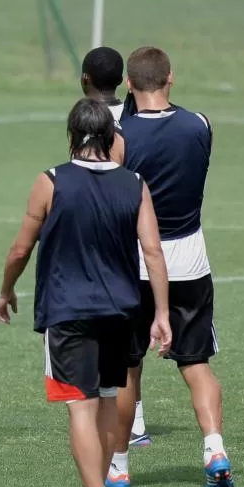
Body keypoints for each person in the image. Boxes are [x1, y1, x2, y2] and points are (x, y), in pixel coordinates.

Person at [0, 98, 172, 487]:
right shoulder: (135, 184)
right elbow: (152, 251)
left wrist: (6, 289)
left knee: (80, 406)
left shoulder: (51, 181)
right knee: (109, 400)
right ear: (113, 138)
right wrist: (162, 314)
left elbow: (22, 247)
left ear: (72, 135)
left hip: (68, 311)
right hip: (122, 311)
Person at [109, 46, 233, 487]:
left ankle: (119, 464)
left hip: (136, 261)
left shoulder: (119, 133)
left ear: (129, 84)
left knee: (126, 369)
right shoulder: (199, 124)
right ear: (170, 78)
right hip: (190, 258)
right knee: (196, 363)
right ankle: (214, 448)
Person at [80, 46, 150, 446]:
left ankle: (129, 421)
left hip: (109, 240)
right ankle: (133, 417)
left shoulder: (88, 121)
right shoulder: (137, 115)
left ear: (85, 79)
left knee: (119, 340)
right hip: (143, 226)